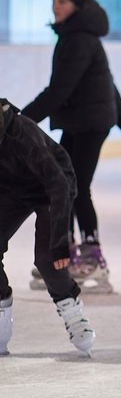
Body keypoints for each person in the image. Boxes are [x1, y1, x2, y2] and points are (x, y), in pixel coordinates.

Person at [21, 0, 121, 294]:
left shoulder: (79, 39)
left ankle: (93, 257)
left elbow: (58, 91)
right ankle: (67, 253)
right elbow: (105, 80)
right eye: (54, 1)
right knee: (64, 181)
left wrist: (18, 121)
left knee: (76, 186)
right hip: (82, 119)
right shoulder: (75, 34)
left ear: (76, 4)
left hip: (90, 122)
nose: (56, 7)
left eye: (62, 1)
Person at [0, 99, 95, 356]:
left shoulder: (21, 134)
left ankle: (72, 310)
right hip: (11, 189)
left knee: (48, 260)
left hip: (52, 188)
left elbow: (58, 186)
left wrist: (60, 245)